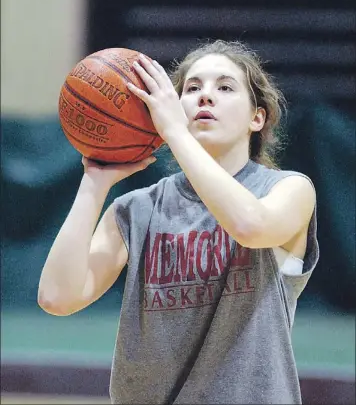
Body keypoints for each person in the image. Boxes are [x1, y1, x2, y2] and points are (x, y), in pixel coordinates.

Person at [38, 39, 319, 404]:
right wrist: (95, 181)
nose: (206, 96)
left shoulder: (288, 190)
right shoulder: (137, 210)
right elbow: (57, 297)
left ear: (257, 117)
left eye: (225, 87)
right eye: (192, 88)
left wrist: (175, 133)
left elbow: (251, 226)